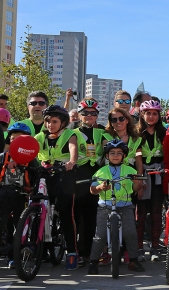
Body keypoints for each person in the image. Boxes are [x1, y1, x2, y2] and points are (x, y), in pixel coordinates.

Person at [87, 139, 145, 275]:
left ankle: (133, 260)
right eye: (112, 153)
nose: (115, 156)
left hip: (125, 206)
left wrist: (137, 183)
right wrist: (100, 187)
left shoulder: (130, 170)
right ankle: (93, 261)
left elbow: (136, 188)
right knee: (100, 235)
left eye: (119, 153)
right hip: (105, 206)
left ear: (124, 156)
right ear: (107, 156)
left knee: (130, 233)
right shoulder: (101, 171)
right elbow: (92, 189)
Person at [35, 105, 80, 269]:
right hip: (45, 173)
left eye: (54, 121)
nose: (50, 125)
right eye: (47, 121)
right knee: (37, 208)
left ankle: (72, 252)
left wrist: (71, 162)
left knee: (66, 213)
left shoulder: (70, 134)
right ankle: (36, 247)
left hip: (63, 173)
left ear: (63, 123)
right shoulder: (40, 136)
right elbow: (29, 147)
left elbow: (73, 149)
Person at [0, 123, 38, 268]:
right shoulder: (3, 157)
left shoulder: (31, 159)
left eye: (19, 139)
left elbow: (37, 176)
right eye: (12, 138)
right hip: (3, 194)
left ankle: (14, 256)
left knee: (19, 228)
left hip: (21, 196)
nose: (14, 141)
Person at [73, 98, 105, 266]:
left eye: (93, 113)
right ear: (80, 114)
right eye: (86, 113)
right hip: (79, 175)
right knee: (77, 215)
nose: (89, 116)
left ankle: (88, 252)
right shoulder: (73, 131)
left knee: (92, 215)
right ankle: (76, 250)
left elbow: (109, 146)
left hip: (96, 174)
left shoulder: (102, 130)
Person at [135, 100, 166, 262]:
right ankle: (139, 248)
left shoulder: (164, 132)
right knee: (140, 214)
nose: (151, 116)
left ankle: (155, 247)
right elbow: (137, 158)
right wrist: (140, 181)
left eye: (155, 113)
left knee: (155, 213)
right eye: (148, 113)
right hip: (143, 174)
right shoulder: (136, 133)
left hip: (159, 176)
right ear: (142, 114)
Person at [103, 108, 143, 176]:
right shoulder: (106, 137)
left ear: (127, 120)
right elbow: (107, 158)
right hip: (112, 174)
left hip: (131, 173)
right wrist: (122, 142)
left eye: (121, 118)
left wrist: (140, 179)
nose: (118, 122)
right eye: (114, 120)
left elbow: (139, 162)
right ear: (111, 123)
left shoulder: (136, 139)